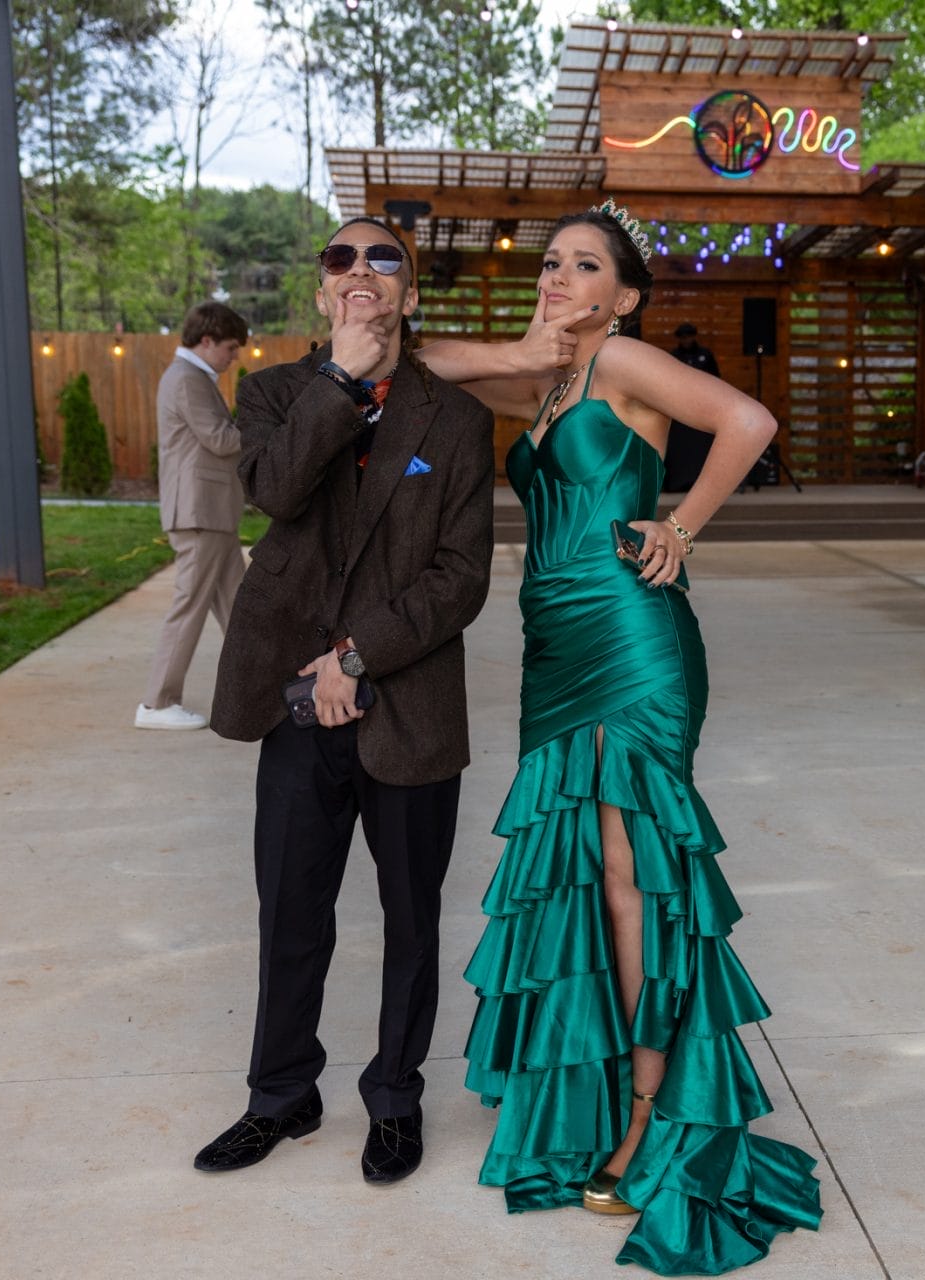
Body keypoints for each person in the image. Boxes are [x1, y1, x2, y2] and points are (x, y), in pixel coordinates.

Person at [420, 199, 822, 1274]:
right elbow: (418, 360)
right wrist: (520, 346)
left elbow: (749, 421)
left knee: (630, 868)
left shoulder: (629, 362)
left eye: (582, 265)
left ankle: (649, 1110)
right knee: (582, 876)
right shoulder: (546, 381)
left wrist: (681, 527)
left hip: (634, 638)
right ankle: (600, 1087)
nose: (556, 276)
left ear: (624, 294)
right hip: (554, 653)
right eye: (549, 262)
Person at [191, 216, 495, 1186]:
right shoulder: (279, 392)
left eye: (384, 258)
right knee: (291, 910)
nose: (360, 270)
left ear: (410, 290)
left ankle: (395, 1097)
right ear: (324, 295)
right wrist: (343, 381)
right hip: (293, 711)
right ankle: (280, 1093)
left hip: (404, 705)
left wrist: (354, 658)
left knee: (411, 918)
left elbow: (460, 578)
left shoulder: (456, 421)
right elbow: (277, 493)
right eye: (341, 259)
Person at [135, 301, 249, 731]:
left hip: (211, 512)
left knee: (241, 610)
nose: (233, 356)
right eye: (230, 347)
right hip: (199, 512)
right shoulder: (187, 379)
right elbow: (220, 440)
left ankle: (262, 689)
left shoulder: (194, 376)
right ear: (206, 340)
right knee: (189, 609)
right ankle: (157, 703)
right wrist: (268, 431)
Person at [661, 323, 719, 491]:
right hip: (680, 409)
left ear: (694, 336)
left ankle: (702, 483)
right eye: (683, 337)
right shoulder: (674, 356)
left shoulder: (705, 355)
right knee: (680, 446)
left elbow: (715, 380)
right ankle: (678, 482)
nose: (686, 340)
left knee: (701, 446)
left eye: (689, 336)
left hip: (703, 408)